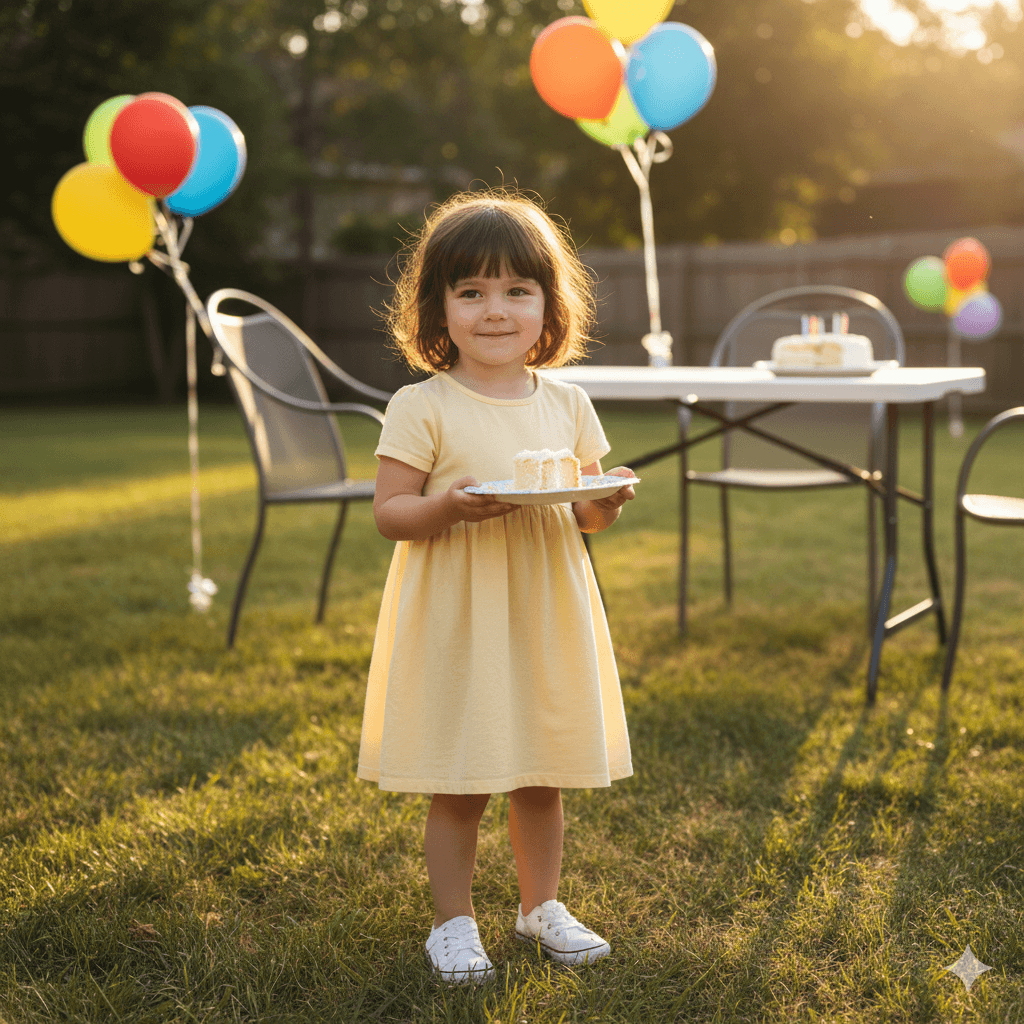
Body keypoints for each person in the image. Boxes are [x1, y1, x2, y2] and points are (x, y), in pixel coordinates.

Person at [356, 188, 637, 986]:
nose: (495, 310)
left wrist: (605, 497)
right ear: (437, 308)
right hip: (461, 615)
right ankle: (453, 922)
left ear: (548, 305)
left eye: (517, 290)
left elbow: (583, 516)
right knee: (466, 775)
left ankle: (539, 905)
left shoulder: (569, 401)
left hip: (544, 610)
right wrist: (449, 505)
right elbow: (391, 513)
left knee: (540, 768)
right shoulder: (423, 405)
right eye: (471, 291)